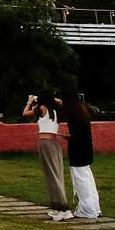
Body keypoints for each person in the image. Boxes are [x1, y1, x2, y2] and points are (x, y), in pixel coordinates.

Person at [23, 93, 74, 221]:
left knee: (52, 175)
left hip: (45, 143)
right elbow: (63, 103)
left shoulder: (41, 108)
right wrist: (53, 99)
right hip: (55, 143)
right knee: (56, 174)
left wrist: (29, 102)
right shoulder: (55, 111)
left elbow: (25, 113)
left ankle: (64, 209)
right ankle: (57, 207)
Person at [64, 95, 101, 219]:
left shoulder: (73, 117)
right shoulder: (83, 115)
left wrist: (67, 137)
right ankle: (95, 207)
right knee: (88, 179)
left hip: (77, 152)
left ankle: (87, 210)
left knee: (81, 181)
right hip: (86, 151)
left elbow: (75, 135)